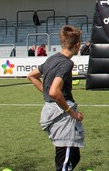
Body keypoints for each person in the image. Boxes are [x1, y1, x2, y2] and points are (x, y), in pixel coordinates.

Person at [27, 25, 85, 170]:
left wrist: (46, 93)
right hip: (61, 116)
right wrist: (71, 112)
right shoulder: (66, 64)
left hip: (52, 111)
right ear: (77, 45)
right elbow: (54, 91)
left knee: (73, 156)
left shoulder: (52, 59)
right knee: (65, 162)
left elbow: (31, 75)